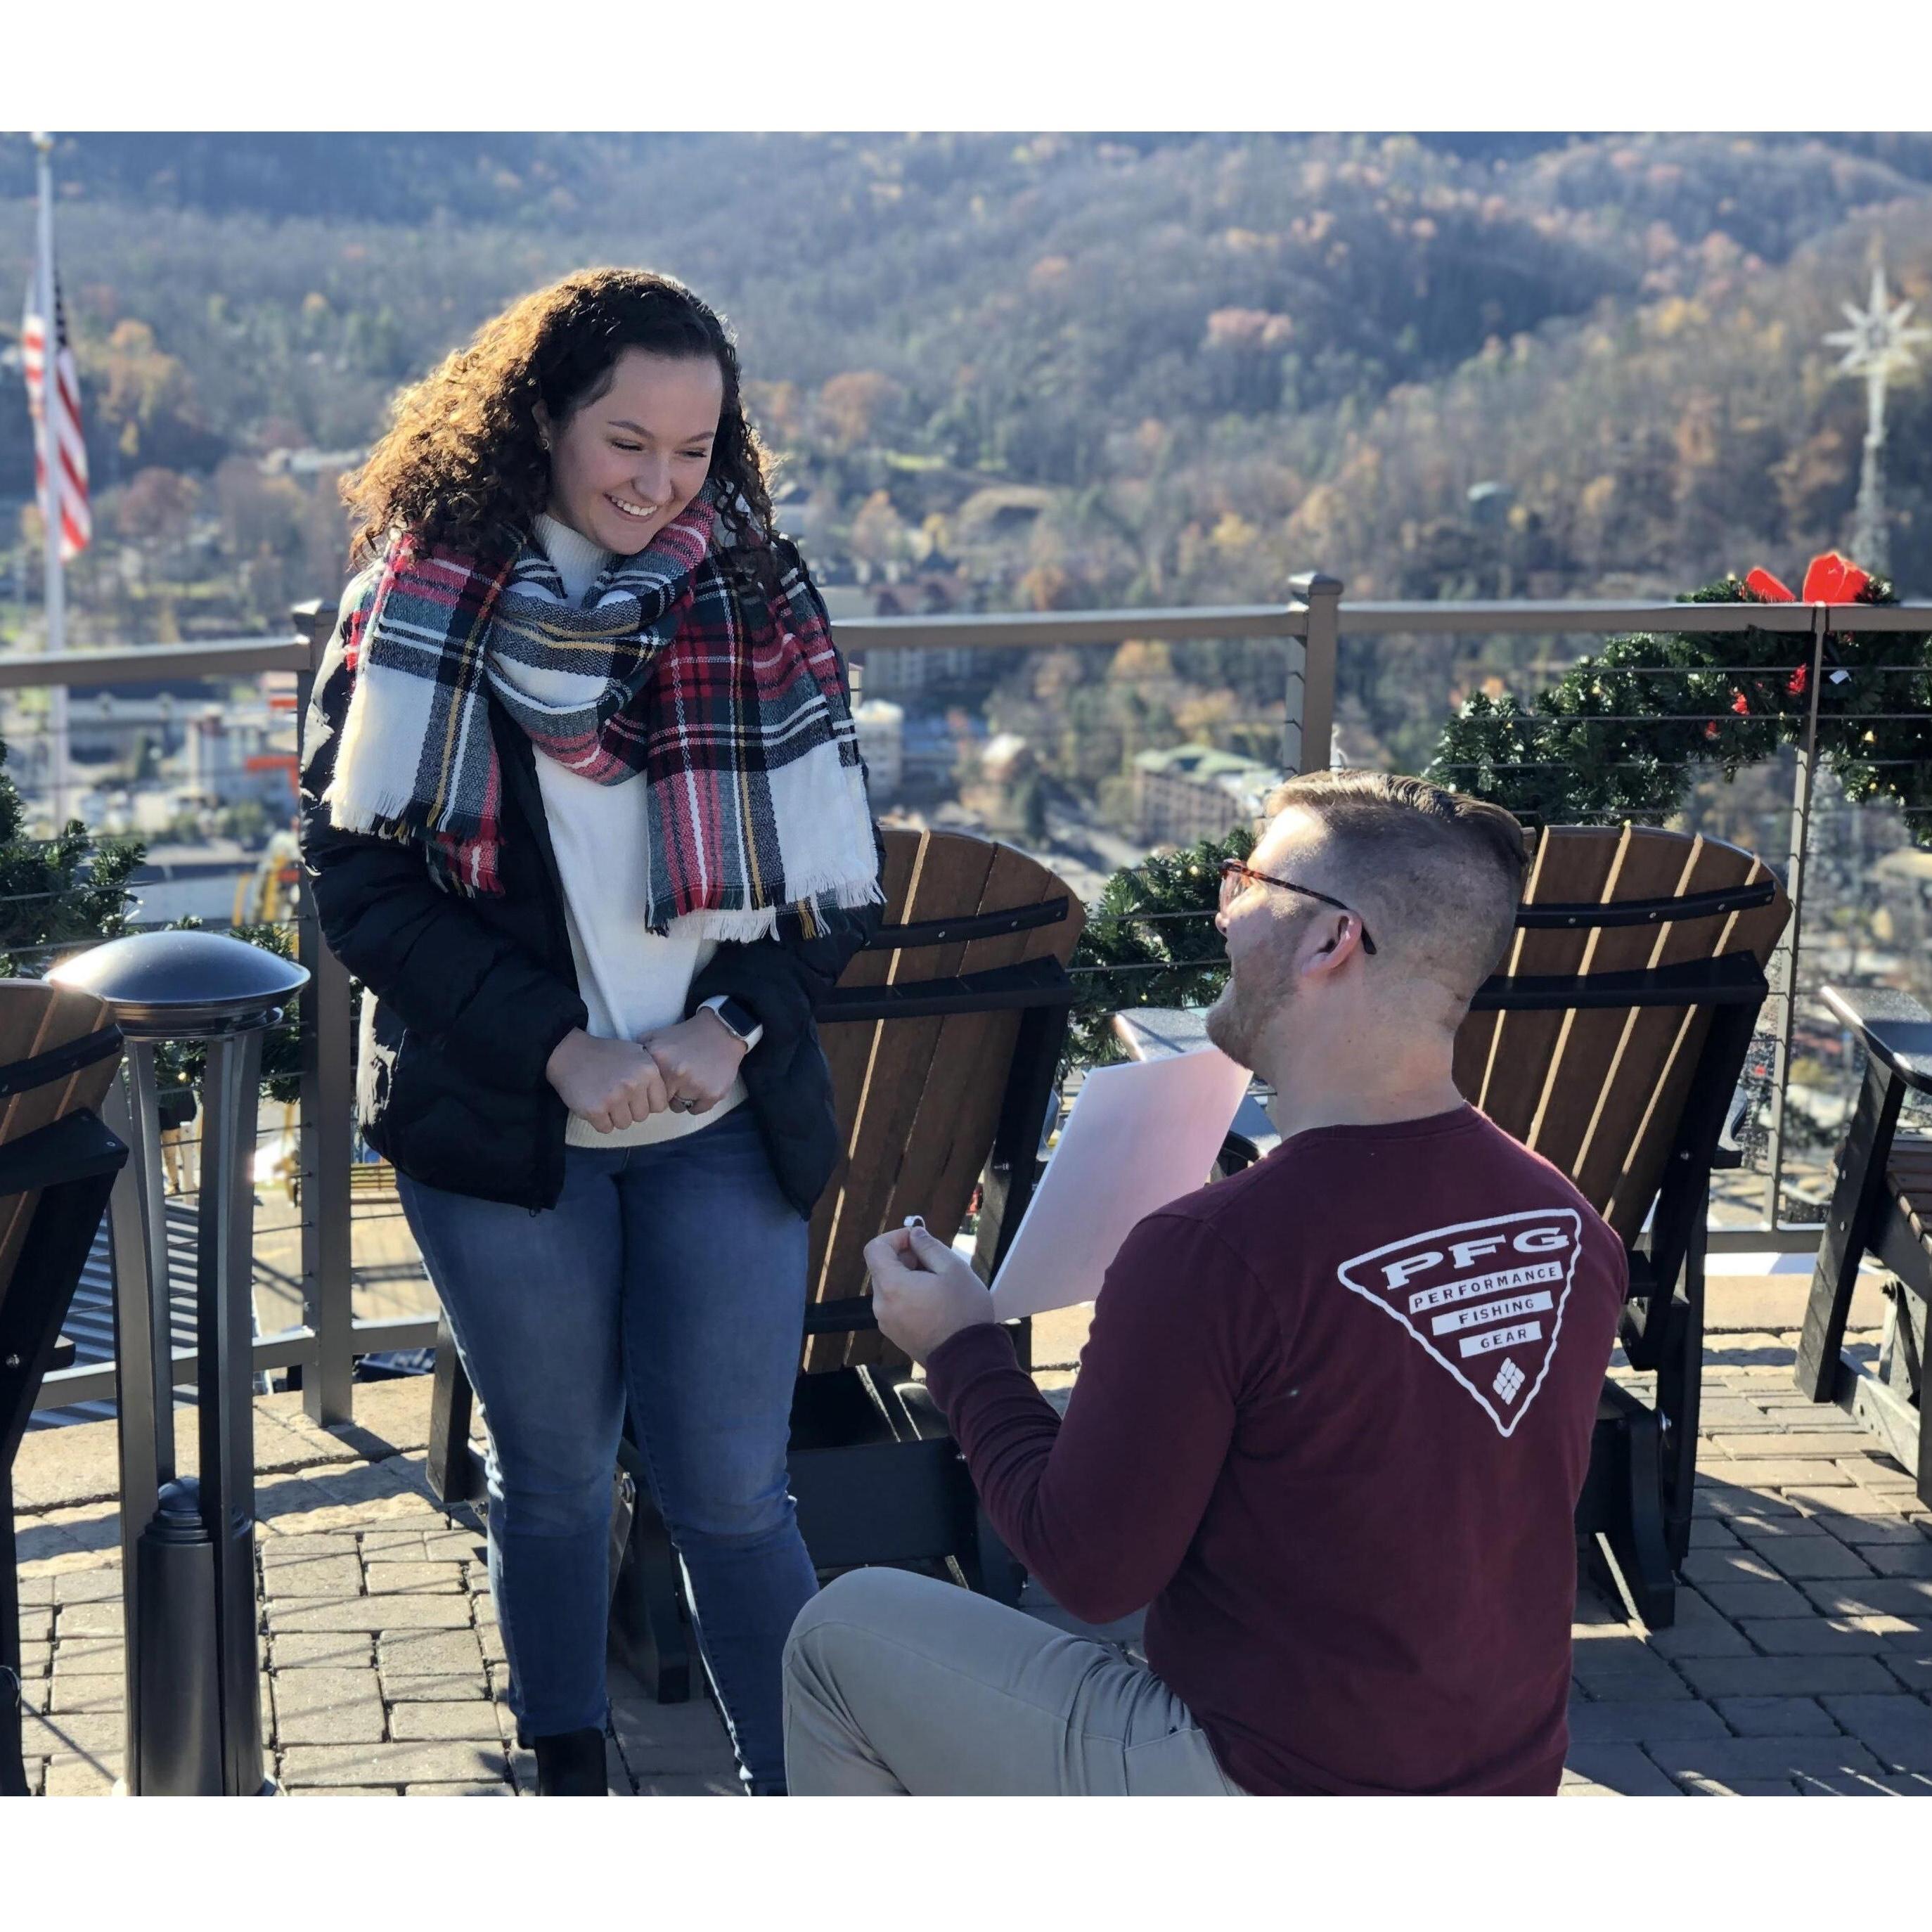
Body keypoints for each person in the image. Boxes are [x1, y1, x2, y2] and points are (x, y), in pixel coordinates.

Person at [299, 269, 882, 1796]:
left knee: (737, 1500)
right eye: (628, 440)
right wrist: (560, 1046)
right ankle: (572, 1784)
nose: (661, 482)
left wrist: (734, 1025)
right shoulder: (417, 605)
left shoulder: (758, 601)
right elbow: (359, 886)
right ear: (541, 419)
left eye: (696, 449)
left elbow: (835, 882)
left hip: (720, 1128)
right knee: (553, 1485)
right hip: (510, 1131)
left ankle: (806, 1804)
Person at [784, 771, 1628, 1796]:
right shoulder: (1568, 1224)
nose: (1224, 913)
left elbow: (1088, 1568)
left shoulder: (1216, 1248)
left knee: (837, 1635)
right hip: (1498, 1781)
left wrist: (960, 1347)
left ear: (1332, 941)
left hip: (1266, 1782)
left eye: (1249, 884)